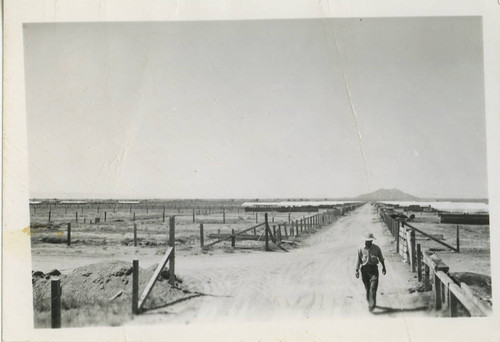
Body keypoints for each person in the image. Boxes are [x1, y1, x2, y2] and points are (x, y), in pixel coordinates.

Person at [355, 232, 386, 312]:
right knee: (368, 288)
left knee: (373, 288)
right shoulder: (361, 249)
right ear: (365, 241)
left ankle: (371, 305)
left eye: (370, 241)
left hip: (374, 270)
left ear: (372, 241)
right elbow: (358, 260)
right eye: (367, 241)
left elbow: (381, 258)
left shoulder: (376, 248)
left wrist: (384, 267)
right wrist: (357, 271)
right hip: (364, 271)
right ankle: (370, 302)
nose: (368, 242)